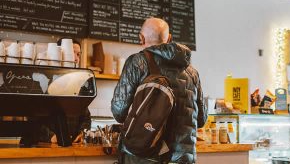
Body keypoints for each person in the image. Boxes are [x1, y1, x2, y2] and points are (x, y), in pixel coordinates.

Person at [111, 17, 207, 164]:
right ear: (169, 38)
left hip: (145, 157)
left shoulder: (138, 62)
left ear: (141, 38)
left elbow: (119, 111)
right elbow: (201, 119)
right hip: (183, 159)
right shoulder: (192, 73)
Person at [39, 38, 91, 144]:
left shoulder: (78, 84)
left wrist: (82, 133)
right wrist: (50, 136)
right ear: (59, 54)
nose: (76, 59)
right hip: (45, 146)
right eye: (72, 53)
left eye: (78, 54)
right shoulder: (44, 81)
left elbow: (85, 117)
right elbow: (34, 118)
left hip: (70, 146)